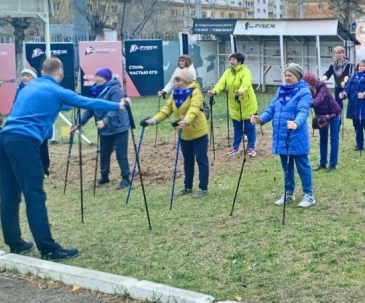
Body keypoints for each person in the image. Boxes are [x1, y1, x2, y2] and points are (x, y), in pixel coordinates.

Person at [0, 57, 128, 260]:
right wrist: (117, 105)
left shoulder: (28, 87)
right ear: (61, 73)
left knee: (9, 194)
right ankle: (48, 249)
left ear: (41, 72)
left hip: (5, 139)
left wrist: (65, 103)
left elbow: (63, 105)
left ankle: (15, 243)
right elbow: (86, 102)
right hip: (24, 142)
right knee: (35, 195)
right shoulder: (56, 90)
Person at [253, 63, 315, 208]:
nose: (287, 78)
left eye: (290, 75)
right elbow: (271, 109)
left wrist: (296, 123)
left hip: (296, 135)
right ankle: (289, 193)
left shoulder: (304, 92)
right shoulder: (281, 91)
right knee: (287, 167)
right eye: (286, 75)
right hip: (281, 136)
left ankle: (309, 194)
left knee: (302, 166)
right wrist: (261, 118)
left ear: (297, 76)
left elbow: (303, 111)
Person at [142, 67, 211, 198]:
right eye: (175, 80)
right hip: (184, 133)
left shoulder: (195, 92)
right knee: (187, 160)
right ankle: (188, 186)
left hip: (198, 131)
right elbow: (166, 110)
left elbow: (194, 109)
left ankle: (203, 188)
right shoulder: (175, 93)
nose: (176, 83)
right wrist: (153, 121)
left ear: (185, 80)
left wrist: (186, 121)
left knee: (201, 160)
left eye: (178, 80)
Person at [74, 68, 131, 190]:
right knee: (104, 153)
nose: (98, 78)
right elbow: (90, 108)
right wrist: (80, 123)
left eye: (101, 76)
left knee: (121, 154)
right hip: (103, 128)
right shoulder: (94, 90)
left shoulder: (115, 89)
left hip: (118, 126)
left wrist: (105, 120)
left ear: (107, 78)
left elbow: (117, 107)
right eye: (96, 76)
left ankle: (125, 178)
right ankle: (104, 176)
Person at [208, 52, 257, 157]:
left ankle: (251, 147)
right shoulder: (228, 72)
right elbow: (221, 83)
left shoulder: (246, 71)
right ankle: (235, 147)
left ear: (239, 61)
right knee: (237, 128)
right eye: (230, 59)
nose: (231, 61)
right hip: (234, 105)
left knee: (250, 127)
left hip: (247, 104)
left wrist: (241, 90)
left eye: (233, 59)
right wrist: (214, 91)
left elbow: (247, 83)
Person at [16, 68, 50, 178]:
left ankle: (44, 170)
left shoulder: (40, 89)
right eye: (23, 75)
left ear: (34, 78)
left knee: (41, 147)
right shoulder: (19, 90)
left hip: (39, 124)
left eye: (28, 75)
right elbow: (15, 106)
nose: (25, 77)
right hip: (24, 124)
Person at [303, 72, 342, 171]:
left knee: (334, 139)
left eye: (307, 83)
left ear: (311, 82)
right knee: (323, 139)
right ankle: (323, 163)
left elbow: (317, 101)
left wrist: (305, 103)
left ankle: (333, 164)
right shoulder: (307, 90)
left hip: (334, 114)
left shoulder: (322, 87)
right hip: (322, 116)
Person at [340, 59, 365, 152]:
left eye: (363, 66)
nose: (360, 67)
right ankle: (359, 143)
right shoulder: (354, 76)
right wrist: (344, 93)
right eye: (359, 66)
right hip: (354, 105)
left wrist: (364, 94)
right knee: (357, 126)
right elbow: (348, 87)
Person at [321, 46, 353, 114]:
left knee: (351, 102)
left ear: (343, 53)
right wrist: (321, 80)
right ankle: (338, 120)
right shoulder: (333, 64)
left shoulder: (348, 63)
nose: (338, 54)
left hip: (347, 86)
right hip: (338, 86)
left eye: (340, 53)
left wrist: (344, 82)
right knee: (337, 105)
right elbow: (328, 74)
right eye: (336, 53)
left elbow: (347, 74)